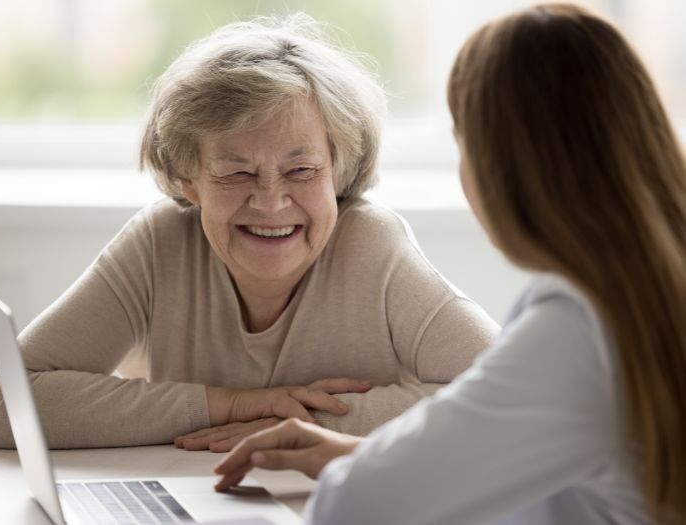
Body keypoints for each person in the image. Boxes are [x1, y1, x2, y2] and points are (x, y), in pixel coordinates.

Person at [214, 4, 686, 525]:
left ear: (503, 166)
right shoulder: (649, 290)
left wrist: (368, 469)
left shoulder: (579, 326)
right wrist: (359, 456)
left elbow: (357, 506)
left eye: (463, 141)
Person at [0, 15, 498, 450]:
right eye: (236, 173)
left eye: (302, 171)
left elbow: (514, 390)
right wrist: (228, 405)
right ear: (189, 181)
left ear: (337, 171)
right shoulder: (159, 244)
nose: (271, 201)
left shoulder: (371, 244)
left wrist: (302, 423)